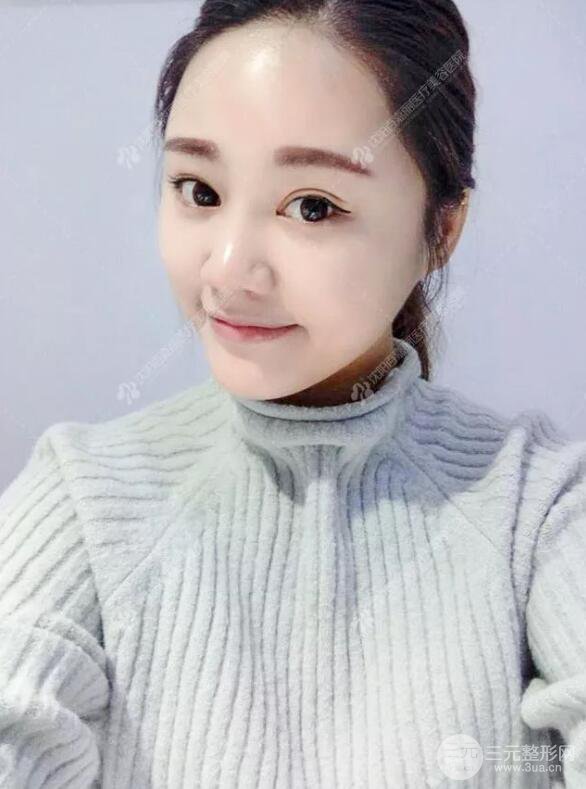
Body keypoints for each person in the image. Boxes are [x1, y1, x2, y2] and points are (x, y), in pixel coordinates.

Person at [1, 1, 585, 786]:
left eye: (313, 206)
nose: (229, 269)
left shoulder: (537, 509)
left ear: (443, 229)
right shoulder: (83, 497)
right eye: (199, 190)